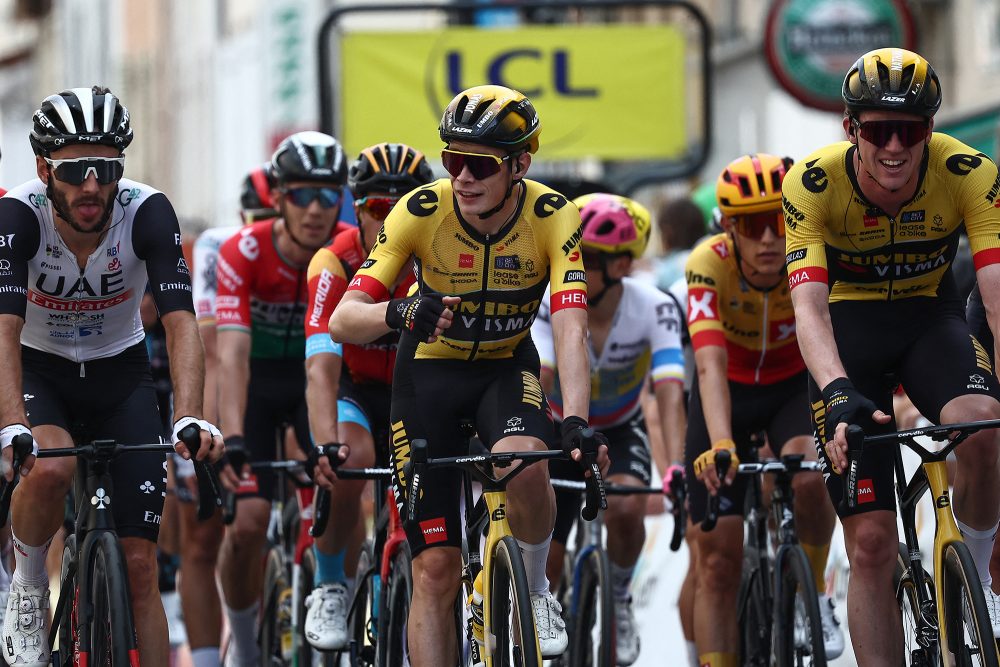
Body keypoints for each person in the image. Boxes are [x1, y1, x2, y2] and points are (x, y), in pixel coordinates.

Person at [328, 84, 610, 665]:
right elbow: (342, 321)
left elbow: (571, 326)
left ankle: (534, 591)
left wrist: (577, 420)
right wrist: (399, 311)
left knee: (529, 458)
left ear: (519, 164)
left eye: (478, 164)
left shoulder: (553, 215)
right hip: (427, 378)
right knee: (435, 567)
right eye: (452, 160)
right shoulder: (420, 212)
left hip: (505, 369)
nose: (461, 177)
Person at [784, 47, 1000, 666]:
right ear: (852, 130)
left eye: (910, 130)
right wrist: (835, 390)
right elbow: (810, 312)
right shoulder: (811, 183)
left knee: (983, 425)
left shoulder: (969, 171)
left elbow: (994, 298)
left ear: (930, 129)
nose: (895, 147)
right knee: (873, 543)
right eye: (879, 131)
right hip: (847, 333)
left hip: (929, 322)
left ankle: (977, 586)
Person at [0, 86, 223, 667]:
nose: (92, 186)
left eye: (106, 168)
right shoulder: (16, 215)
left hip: (119, 373)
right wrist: (10, 425)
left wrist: (191, 415)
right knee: (50, 466)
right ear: (45, 168)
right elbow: (1, 332)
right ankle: (27, 586)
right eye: (76, 171)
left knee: (141, 566)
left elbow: (180, 323)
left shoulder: (146, 211)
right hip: (39, 367)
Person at [687, 153, 843, 667]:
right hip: (724, 396)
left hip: (789, 390)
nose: (770, 239)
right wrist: (722, 444)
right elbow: (707, 366)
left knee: (810, 479)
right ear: (730, 228)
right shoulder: (706, 264)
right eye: (754, 226)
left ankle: (815, 593)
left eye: (779, 220)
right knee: (716, 563)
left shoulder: (813, 254)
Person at [214, 130, 350, 667]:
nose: (316, 209)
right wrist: (236, 439)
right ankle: (245, 649)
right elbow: (232, 356)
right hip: (256, 382)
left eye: (328, 196)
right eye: (301, 195)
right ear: (276, 198)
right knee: (247, 523)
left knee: (335, 493)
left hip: (314, 380)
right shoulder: (242, 250)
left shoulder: (346, 250)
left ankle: (325, 592)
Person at [534, 193, 685, 665]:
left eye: (587, 258)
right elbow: (539, 379)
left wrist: (675, 465)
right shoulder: (548, 299)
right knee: (549, 560)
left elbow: (669, 390)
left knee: (626, 508)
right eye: (572, 253)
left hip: (620, 429)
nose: (573, 265)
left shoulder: (653, 306)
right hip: (560, 429)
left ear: (620, 265)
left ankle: (619, 597)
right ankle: (546, 617)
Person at [302, 142, 434, 649]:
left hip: (415, 390)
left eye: (406, 205)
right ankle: (330, 582)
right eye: (379, 207)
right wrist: (323, 445)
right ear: (356, 208)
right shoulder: (334, 261)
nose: (391, 218)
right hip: (354, 391)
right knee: (349, 458)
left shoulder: (436, 260)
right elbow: (320, 367)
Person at [175, 164, 277, 667]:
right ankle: (213, 658)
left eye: (273, 217)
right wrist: (205, 429)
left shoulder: (316, 244)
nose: (265, 227)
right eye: (256, 217)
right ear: (242, 216)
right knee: (205, 531)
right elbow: (213, 352)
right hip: (232, 388)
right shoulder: (222, 246)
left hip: (289, 388)